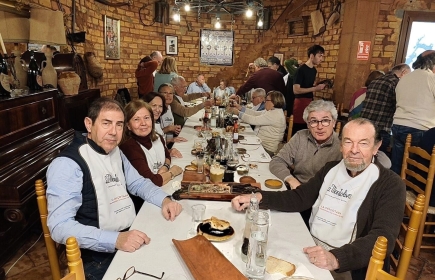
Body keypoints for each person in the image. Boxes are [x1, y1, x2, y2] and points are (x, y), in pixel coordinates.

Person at [232, 118, 406, 280]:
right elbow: (300, 197)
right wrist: (259, 197)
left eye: (363, 143)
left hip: (349, 266)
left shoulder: (390, 185)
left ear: (376, 147)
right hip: (309, 246)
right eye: (348, 142)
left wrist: (336, 258)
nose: (354, 150)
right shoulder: (331, 169)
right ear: (340, 145)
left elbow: (383, 238)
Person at [46, 98, 182, 279]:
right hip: (97, 256)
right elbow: (59, 227)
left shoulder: (114, 150)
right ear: (89, 124)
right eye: (106, 123)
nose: (113, 132)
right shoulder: (67, 164)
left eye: (119, 125)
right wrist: (116, 239)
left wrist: (165, 200)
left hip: (131, 231)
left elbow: (138, 183)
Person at [119, 100, 183, 187]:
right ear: (128, 125)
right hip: (144, 198)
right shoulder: (129, 147)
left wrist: (165, 167)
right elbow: (151, 182)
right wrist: (172, 172)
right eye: (136, 119)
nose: (143, 123)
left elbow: (167, 156)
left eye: (146, 118)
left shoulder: (158, 137)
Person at [391, 50, 435, 174]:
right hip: (420, 127)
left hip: (398, 125)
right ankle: (412, 192)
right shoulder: (431, 78)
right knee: (415, 171)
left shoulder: (404, 78)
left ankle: (395, 191)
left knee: (397, 165)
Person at [360, 63, 411, 153]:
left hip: (364, 124)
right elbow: (397, 105)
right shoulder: (396, 83)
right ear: (404, 72)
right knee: (379, 160)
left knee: (364, 154)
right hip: (381, 128)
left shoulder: (375, 81)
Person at [231, 90, 286, 155]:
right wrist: (240, 108)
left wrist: (238, 113)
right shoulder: (273, 111)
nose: (265, 102)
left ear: (273, 102)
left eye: (267, 100)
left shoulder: (275, 115)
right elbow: (255, 114)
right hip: (259, 143)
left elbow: (254, 120)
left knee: (236, 148)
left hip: (266, 148)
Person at [292, 45, 326, 134]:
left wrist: (317, 86)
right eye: (320, 56)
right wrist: (315, 88)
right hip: (300, 102)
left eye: (322, 56)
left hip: (309, 101)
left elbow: (307, 86)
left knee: (308, 127)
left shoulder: (314, 70)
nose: (321, 59)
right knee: (299, 128)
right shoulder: (301, 70)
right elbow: (296, 90)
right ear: (312, 56)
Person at [142, 90, 184, 158]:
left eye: (160, 106)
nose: (158, 110)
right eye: (154, 105)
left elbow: (158, 144)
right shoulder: (144, 128)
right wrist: (168, 152)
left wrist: (171, 140)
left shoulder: (156, 124)